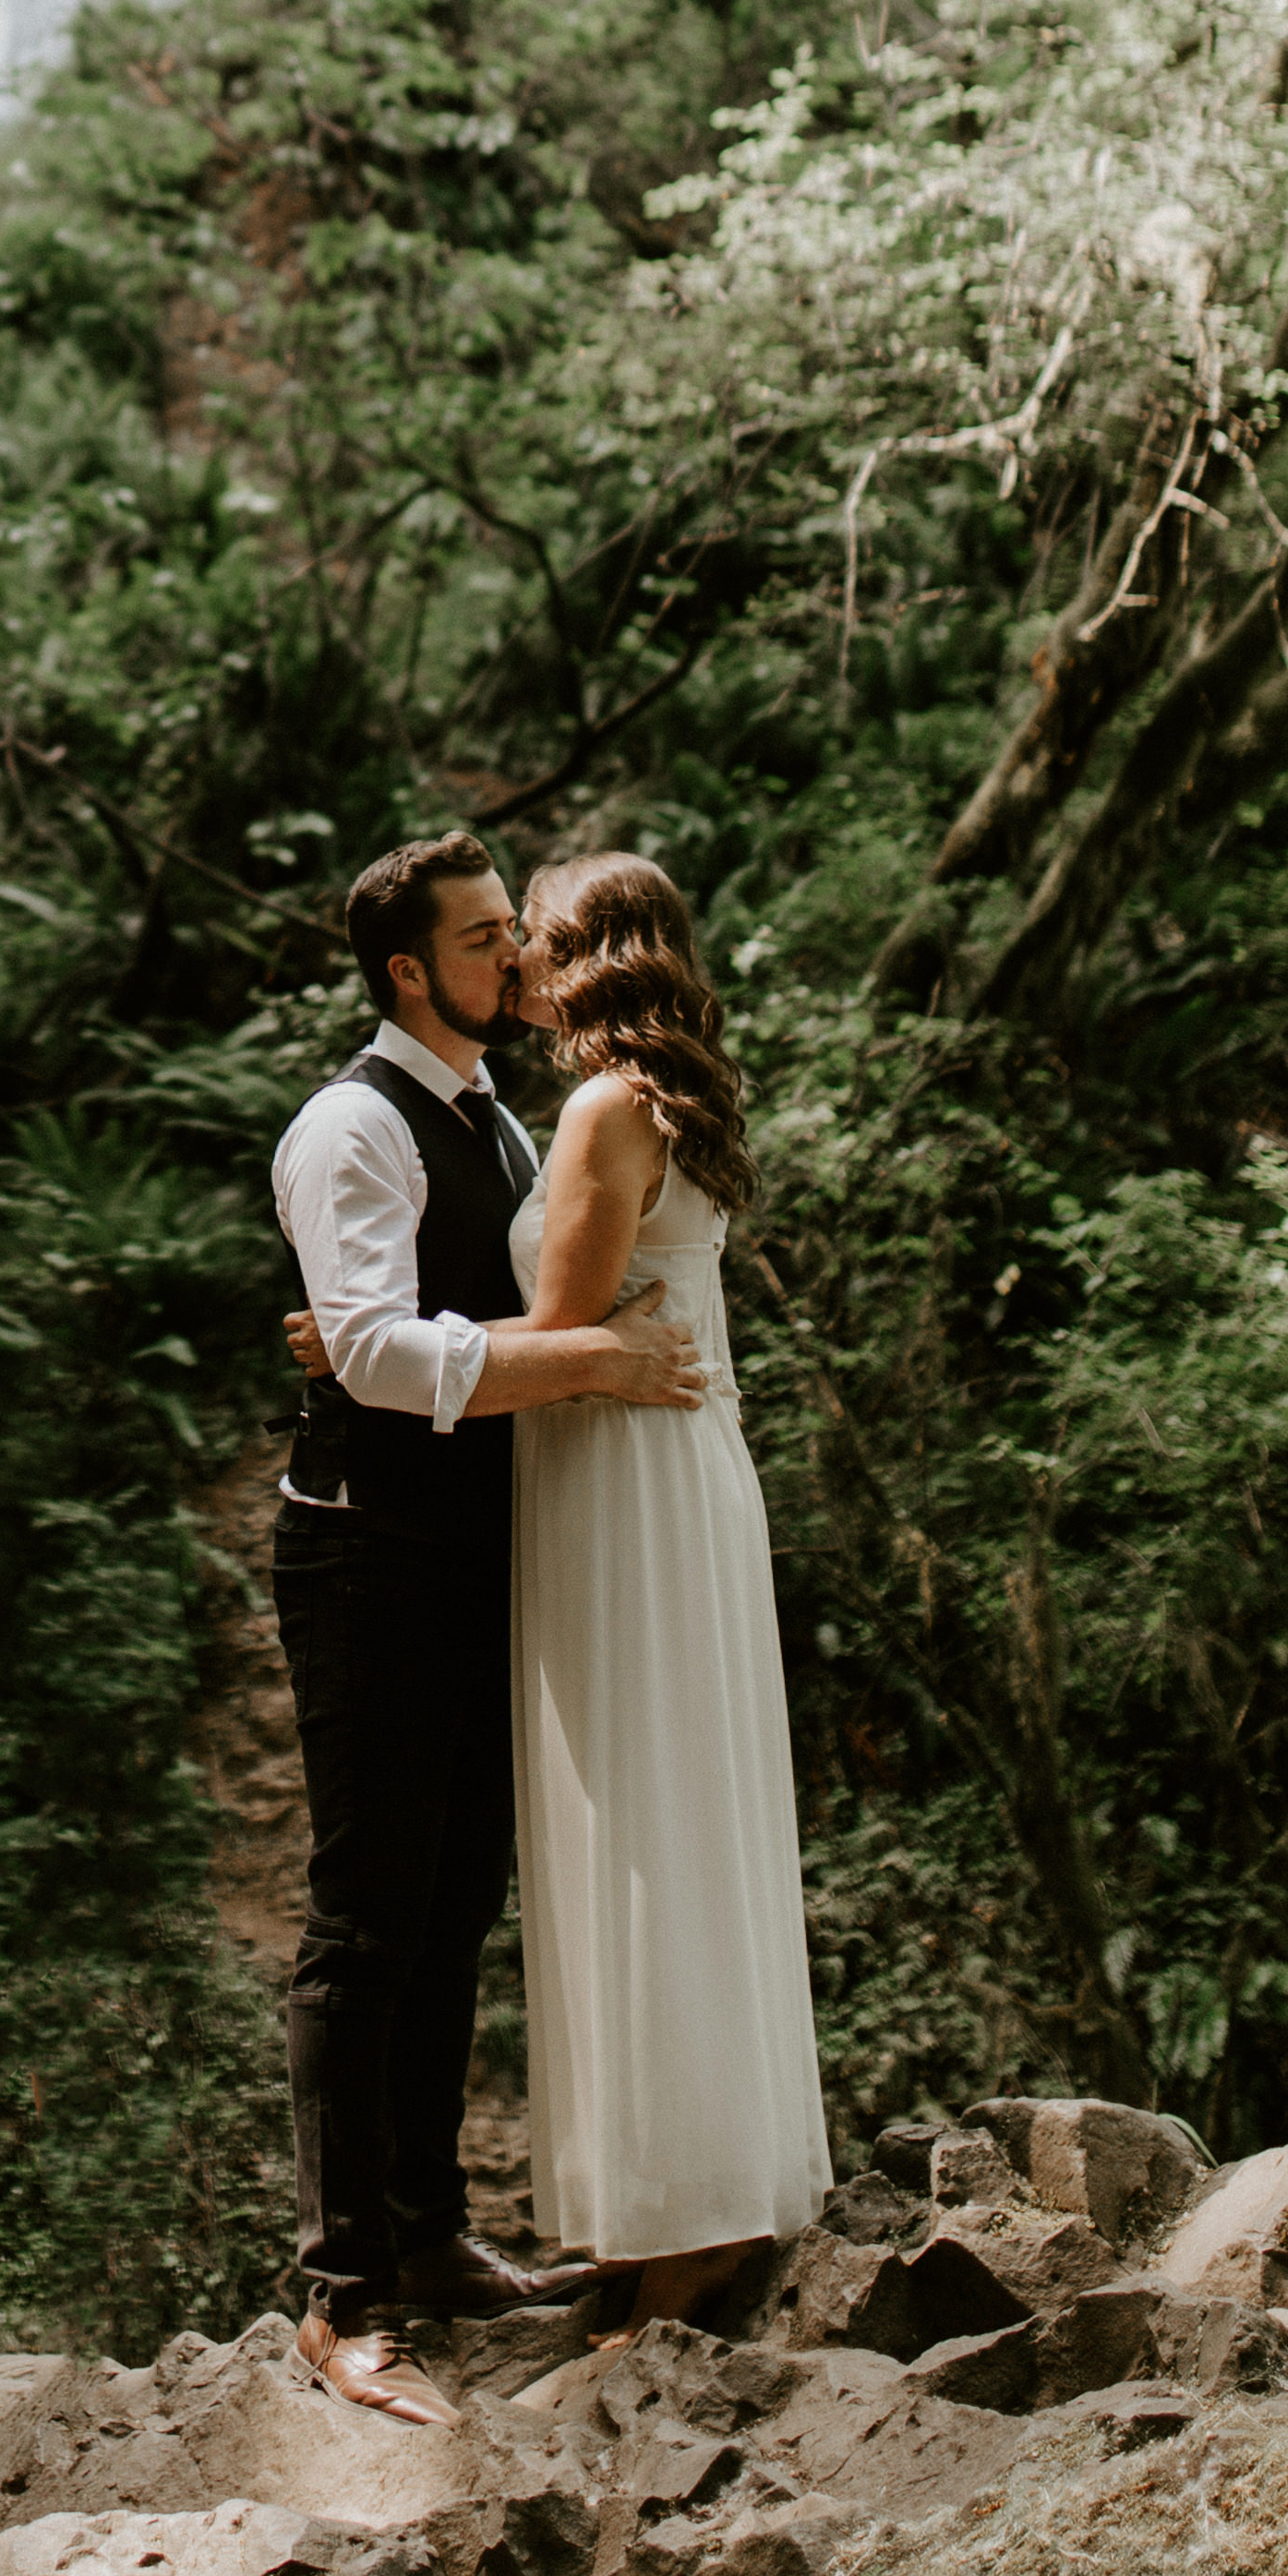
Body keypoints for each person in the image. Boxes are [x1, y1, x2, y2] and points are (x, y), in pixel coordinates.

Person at [270, 830, 712, 2426]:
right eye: (482, 940)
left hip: (478, 1552)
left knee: (454, 1900)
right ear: (409, 971)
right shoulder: (348, 1123)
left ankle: (433, 2230)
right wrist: (588, 1359)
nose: (517, 960)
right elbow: (388, 1356)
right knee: (363, 1918)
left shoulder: (504, 1120)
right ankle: (341, 2295)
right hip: (364, 1553)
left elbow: (442, 1315)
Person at [500, 852, 832, 2318]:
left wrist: (368, 1342)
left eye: (529, 940)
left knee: (631, 1820)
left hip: (615, 1477)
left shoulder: (596, 1107)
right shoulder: (680, 1098)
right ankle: (678, 2201)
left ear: (583, 956)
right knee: (678, 1812)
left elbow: (558, 1328)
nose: (510, 961)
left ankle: (680, 2221)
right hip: (676, 1471)